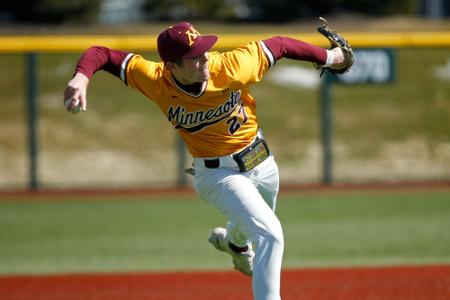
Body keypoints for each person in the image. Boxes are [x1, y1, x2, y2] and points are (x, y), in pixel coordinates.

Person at [63, 22, 345, 300]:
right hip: (217, 175)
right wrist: (81, 77)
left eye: (204, 50)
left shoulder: (231, 65)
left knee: (254, 223)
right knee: (270, 234)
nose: (205, 59)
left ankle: (236, 245)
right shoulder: (155, 78)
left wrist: (332, 57)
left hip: (262, 160)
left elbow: (281, 45)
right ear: (172, 66)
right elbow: (102, 53)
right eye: (194, 57)